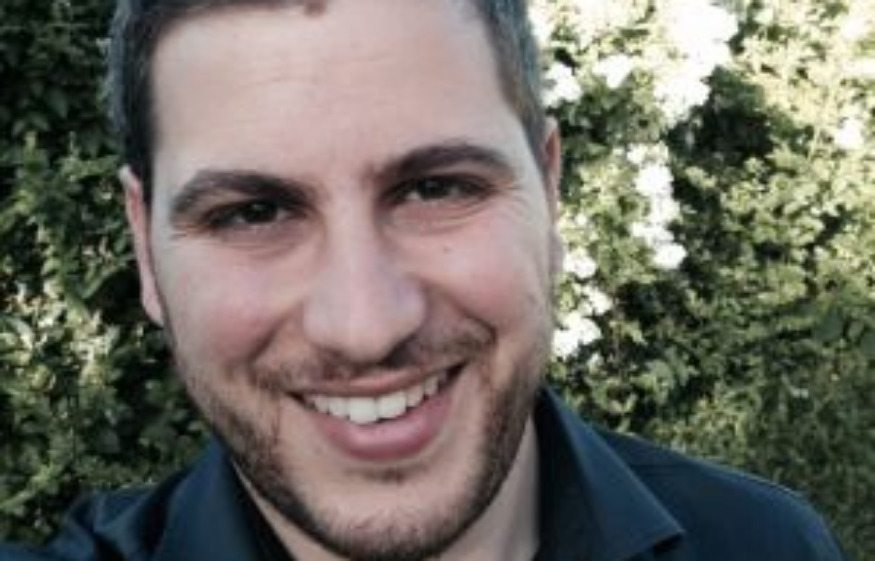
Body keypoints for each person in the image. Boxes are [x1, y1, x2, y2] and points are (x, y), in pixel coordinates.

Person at [0, 0, 848, 560]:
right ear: (145, 248)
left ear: (549, 193)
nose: (364, 325)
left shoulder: (764, 544)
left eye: (436, 188)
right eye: (254, 212)